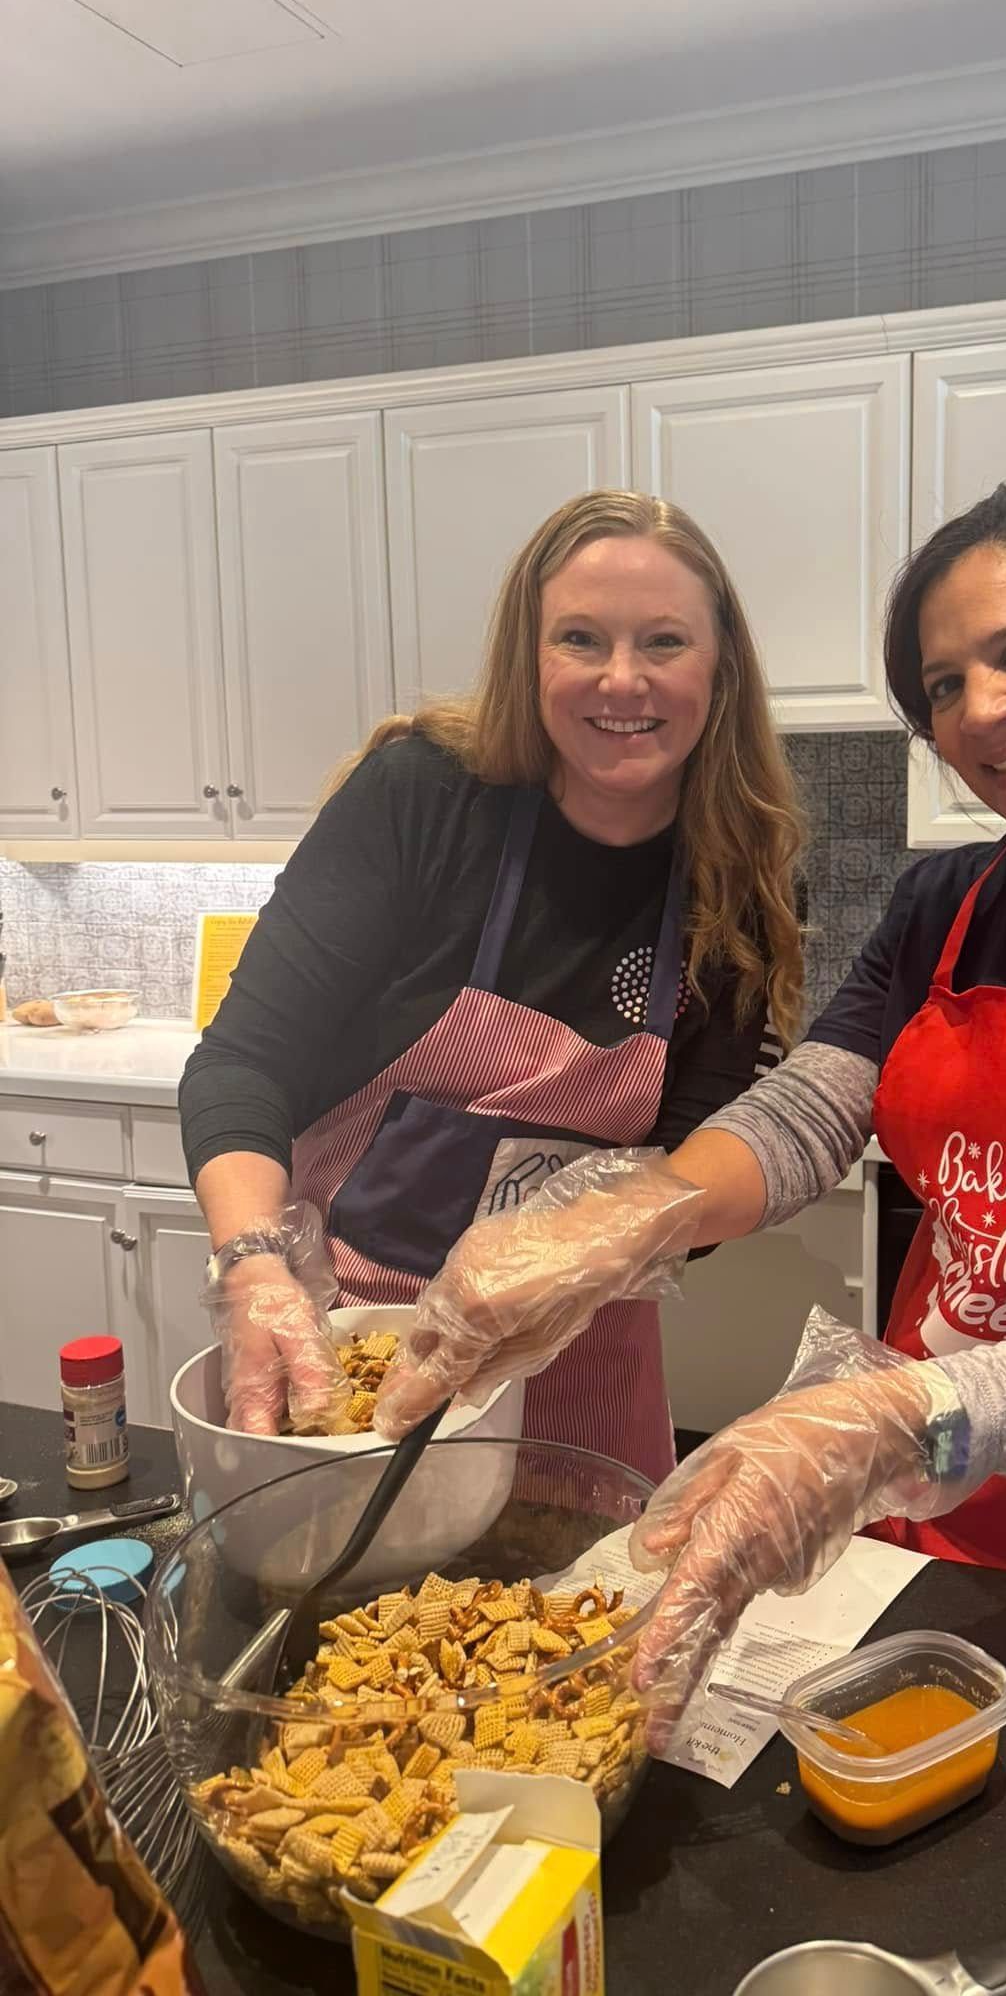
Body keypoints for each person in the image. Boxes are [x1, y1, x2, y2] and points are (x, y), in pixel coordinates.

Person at [365, 482, 1006, 1730]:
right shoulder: (948, 902)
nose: (982, 711)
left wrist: (895, 1414)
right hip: (930, 1507)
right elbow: (812, 1110)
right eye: (944, 686)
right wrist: (636, 1215)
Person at [181, 488, 805, 1483]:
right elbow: (242, 1064)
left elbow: (699, 1167)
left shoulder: (738, 874)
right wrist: (254, 1263)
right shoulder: (421, 799)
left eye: (664, 641)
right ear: (530, 653)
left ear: (721, 665)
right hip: (348, 1351)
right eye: (580, 638)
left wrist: (563, 1256)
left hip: (583, 1362)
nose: (622, 678)